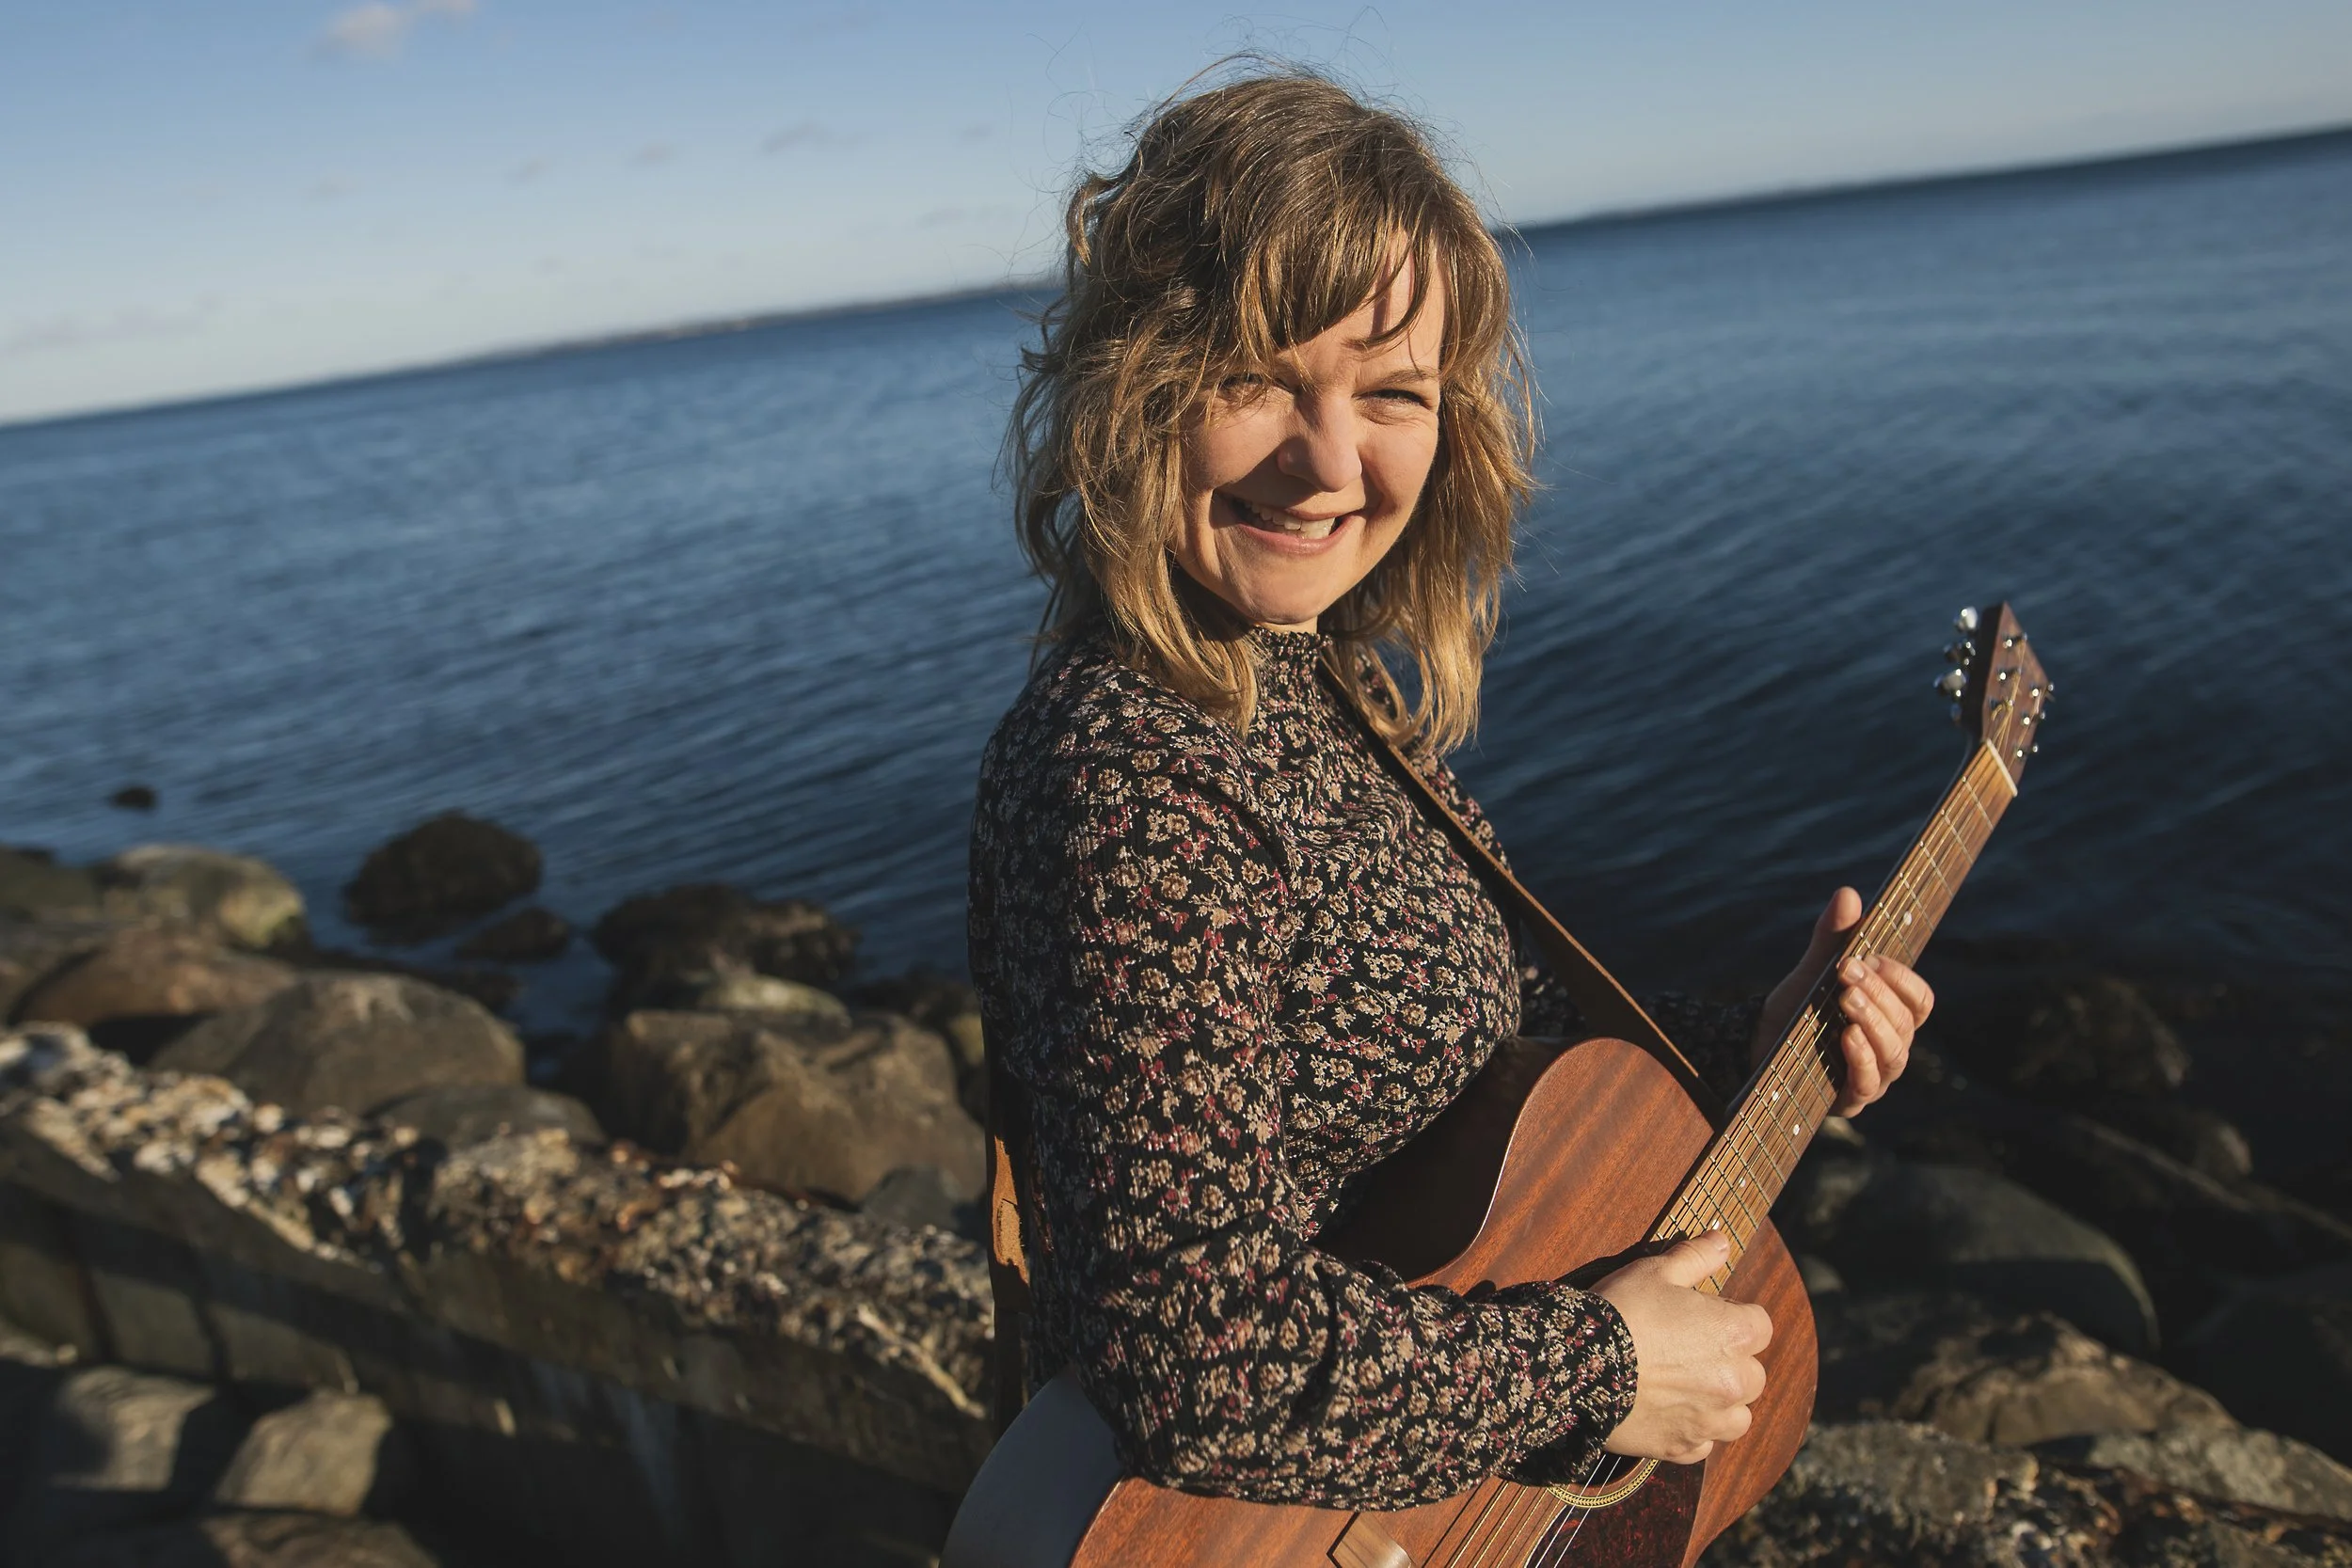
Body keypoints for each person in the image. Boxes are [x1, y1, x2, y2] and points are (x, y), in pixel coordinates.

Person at [966, 70, 1931, 1512]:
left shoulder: (1315, 681)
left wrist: (1763, 1044)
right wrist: (1601, 1367)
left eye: (1393, 394)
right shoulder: (1133, 772)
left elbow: (1480, 1079)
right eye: (1258, 380)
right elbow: (1194, 1359)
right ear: (1137, 385)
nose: (1330, 461)